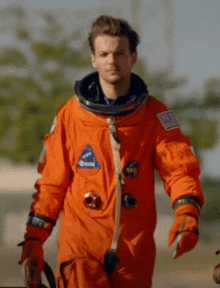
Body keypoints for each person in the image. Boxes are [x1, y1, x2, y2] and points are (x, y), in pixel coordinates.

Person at [19, 15, 205, 288]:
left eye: (119, 53)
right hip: (81, 252)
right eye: (103, 53)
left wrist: (187, 212)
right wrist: (34, 238)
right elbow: (51, 185)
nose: (111, 60)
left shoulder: (157, 115)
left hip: (134, 255)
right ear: (93, 59)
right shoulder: (70, 116)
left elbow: (179, 169)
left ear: (133, 57)